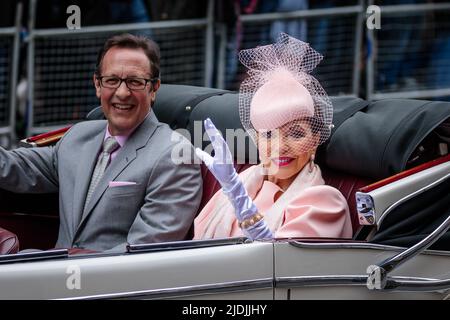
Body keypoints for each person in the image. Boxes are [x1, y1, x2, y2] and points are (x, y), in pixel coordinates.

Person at [0, 33, 203, 252]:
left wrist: (46, 264)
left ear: (153, 89)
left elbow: (144, 252)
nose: (122, 93)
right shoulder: (78, 137)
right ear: (98, 85)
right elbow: (13, 167)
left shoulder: (175, 156)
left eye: (135, 82)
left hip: (112, 283)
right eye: (112, 80)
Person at [194, 33, 352, 240]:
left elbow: (276, 264)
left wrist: (241, 202)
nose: (280, 146)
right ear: (256, 140)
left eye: (295, 133)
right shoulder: (242, 182)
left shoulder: (325, 201)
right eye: (268, 134)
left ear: (315, 141)